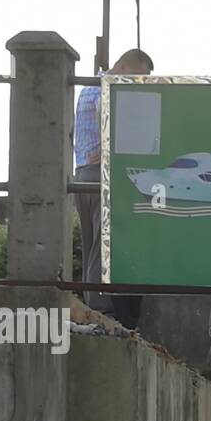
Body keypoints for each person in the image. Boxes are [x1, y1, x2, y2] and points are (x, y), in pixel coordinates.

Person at [75, 48, 154, 328]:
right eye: (138, 75)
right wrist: (111, 148)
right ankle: (101, 311)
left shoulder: (88, 88)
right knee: (103, 244)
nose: (139, 82)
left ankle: (94, 305)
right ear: (122, 67)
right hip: (100, 174)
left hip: (83, 172)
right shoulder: (105, 91)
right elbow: (111, 127)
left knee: (92, 243)